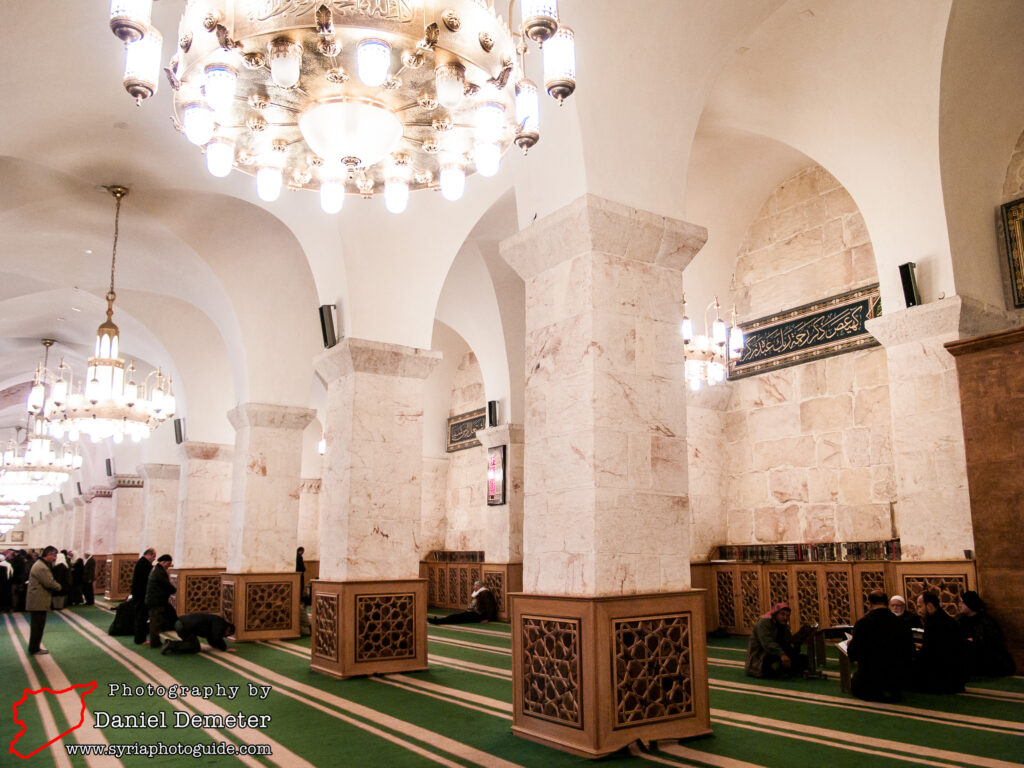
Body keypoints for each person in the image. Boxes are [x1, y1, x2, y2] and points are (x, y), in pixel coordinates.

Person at [848, 589, 914, 702]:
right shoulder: (901, 623)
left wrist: (851, 644)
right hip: (895, 681)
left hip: (869, 681)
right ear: (887, 603)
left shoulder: (863, 623)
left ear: (870, 604)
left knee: (855, 680)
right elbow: (910, 652)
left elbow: (853, 654)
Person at [912, 591, 966, 693]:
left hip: (942, 678)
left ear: (930, 606)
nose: (918, 610)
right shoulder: (947, 619)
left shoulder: (934, 624)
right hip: (956, 678)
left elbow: (929, 654)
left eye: (920, 606)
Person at [957, 590, 1016, 677]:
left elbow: (992, 641)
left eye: (963, 602)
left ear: (970, 604)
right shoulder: (961, 619)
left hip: (984, 656)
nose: (960, 605)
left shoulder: (985, 620)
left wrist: (973, 640)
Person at [745, 602, 808, 678]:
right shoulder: (763, 624)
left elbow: (787, 644)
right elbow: (768, 643)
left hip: (777, 655)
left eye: (787, 615)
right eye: (782, 614)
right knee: (774, 665)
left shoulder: (783, 626)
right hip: (761, 659)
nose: (785, 618)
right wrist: (782, 655)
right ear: (775, 614)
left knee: (804, 659)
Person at [26, 546, 61, 655]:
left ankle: (34, 647)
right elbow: (49, 583)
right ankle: (34, 649)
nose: (55, 558)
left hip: (37, 600)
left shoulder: (40, 564)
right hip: (38, 601)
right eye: (54, 556)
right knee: (38, 626)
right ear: (48, 555)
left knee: (37, 626)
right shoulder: (42, 567)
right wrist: (59, 587)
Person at [161, 612, 235, 655]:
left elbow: (211, 637)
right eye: (228, 634)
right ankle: (171, 645)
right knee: (194, 646)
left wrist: (216, 646)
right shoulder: (220, 623)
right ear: (228, 628)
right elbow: (217, 636)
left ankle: (171, 644)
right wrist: (224, 648)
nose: (226, 636)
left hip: (181, 623)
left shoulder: (217, 621)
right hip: (184, 626)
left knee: (193, 644)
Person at [428, 580, 498, 625]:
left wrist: (488, 618)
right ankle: (438, 621)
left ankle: (438, 621)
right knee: (455, 616)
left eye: (475, 586)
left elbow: (490, 606)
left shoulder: (485, 593)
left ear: (478, 586)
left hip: (478, 615)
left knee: (457, 618)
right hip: (472, 613)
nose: (473, 587)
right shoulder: (479, 593)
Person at [145, 554, 176, 649]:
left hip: (154, 600)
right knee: (155, 621)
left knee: (155, 621)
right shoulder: (159, 572)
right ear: (163, 562)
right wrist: (173, 590)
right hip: (156, 601)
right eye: (168, 563)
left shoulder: (156, 570)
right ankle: (155, 642)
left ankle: (155, 640)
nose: (169, 566)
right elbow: (166, 585)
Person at [131, 548, 156, 644]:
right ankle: (140, 639)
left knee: (140, 616)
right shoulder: (144, 564)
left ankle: (139, 638)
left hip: (138, 595)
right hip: (141, 595)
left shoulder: (141, 562)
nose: (154, 559)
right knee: (141, 617)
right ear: (149, 555)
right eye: (153, 557)